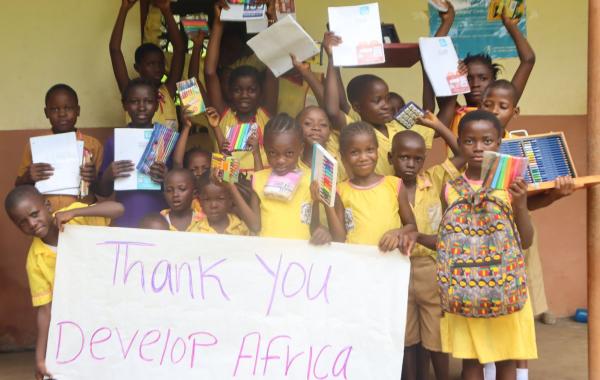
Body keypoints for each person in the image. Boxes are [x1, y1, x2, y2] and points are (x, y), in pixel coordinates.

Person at [480, 79, 575, 380]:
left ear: (515, 111)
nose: (495, 111)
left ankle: (520, 373)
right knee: (484, 306)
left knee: (517, 310)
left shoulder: (522, 150)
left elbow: (528, 203)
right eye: (489, 104)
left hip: (515, 236)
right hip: (479, 241)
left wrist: (555, 193)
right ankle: (486, 368)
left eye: (503, 106)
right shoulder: (472, 141)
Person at [439, 110, 536, 380]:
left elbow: (526, 240)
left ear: (499, 143)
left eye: (487, 140)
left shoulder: (511, 185)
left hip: (497, 284)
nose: (478, 147)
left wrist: (521, 204)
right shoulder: (449, 187)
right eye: (469, 141)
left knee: (505, 358)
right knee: (471, 361)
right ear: (459, 142)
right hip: (469, 287)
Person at [4, 185, 123, 380]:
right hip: (78, 325)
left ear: (48, 206)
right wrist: (40, 358)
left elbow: (118, 209)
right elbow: (45, 310)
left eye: (35, 214)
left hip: (110, 308)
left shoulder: (76, 217)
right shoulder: (35, 260)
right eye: (23, 223)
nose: (32, 223)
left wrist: (75, 211)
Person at [389, 112, 463, 380]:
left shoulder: (435, 178)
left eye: (417, 158)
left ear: (424, 160)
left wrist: (438, 126)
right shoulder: (386, 185)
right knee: (407, 337)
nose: (410, 164)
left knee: (437, 337)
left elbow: (462, 153)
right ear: (391, 159)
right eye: (404, 157)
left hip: (431, 268)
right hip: (397, 268)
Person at [229, 113, 331, 244]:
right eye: (273, 153)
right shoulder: (258, 179)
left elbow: (313, 226)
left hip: (299, 259)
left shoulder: (311, 179)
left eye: (289, 153)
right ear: (265, 150)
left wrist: (322, 232)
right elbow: (255, 226)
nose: (280, 160)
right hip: (268, 257)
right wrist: (230, 187)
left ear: (300, 149)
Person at [321, 122, 418, 253]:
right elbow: (339, 238)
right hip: (355, 264)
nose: (363, 158)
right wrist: (327, 203)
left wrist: (397, 232)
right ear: (343, 157)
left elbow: (412, 227)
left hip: (390, 264)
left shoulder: (395, 184)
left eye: (369, 150)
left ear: (377, 151)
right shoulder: (340, 191)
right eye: (355, 152)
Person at [204, 3, 278, 173]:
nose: (245, 95)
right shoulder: (223, 116)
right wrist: (218, 23)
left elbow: (273, 65)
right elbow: (210, 73)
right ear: (229, 93)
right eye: (238, 90)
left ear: (261, 93)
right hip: (227, 191)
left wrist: (271, 19)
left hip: (260, 194)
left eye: (252, 90)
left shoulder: (266, 113)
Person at [438, 8, 535, 136]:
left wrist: (511, 26)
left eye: (483, 78)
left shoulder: (503, 101)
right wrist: (447, 22)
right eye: (468, 78)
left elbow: (528, 60)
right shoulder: (453, 113)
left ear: (493, 82)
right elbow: (435, 63)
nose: (475, 84)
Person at [15, 84, 103, 211]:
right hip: (48, 216)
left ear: (78, 110)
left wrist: (92, 178)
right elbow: (18, 187)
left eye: (68, 108)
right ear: (46, 113)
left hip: (83, 215)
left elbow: (103, 190)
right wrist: (28, 177)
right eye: (55, 109)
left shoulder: (93, 145)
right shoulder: (35, 146)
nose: (62, 114)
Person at [96, 78, 169, 227]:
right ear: (125, 105)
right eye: (134, 101)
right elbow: (103, 192)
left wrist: (166, 176)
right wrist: (108, 175)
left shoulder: (165, 140)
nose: (141, 107)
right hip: (126, 218)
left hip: (159, 219)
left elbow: (179, 183)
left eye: (148, 101)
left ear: (156, 105)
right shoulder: (114, 141)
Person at [109, 0, 185, 128]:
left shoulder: (167, 91)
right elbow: (114, 50)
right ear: (137, 68)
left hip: (168, 149)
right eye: (151, 64)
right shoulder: (130, 91)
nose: (158, 68)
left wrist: (166, 11)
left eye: (160, 64)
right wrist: (124, 10)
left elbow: (179, 50)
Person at [194, 171, 251, 235]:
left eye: (220, 199)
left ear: (231, 200)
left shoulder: (241, 227)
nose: (213, 205)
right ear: (199, 201)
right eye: (207, 199)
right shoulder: (196, 231)